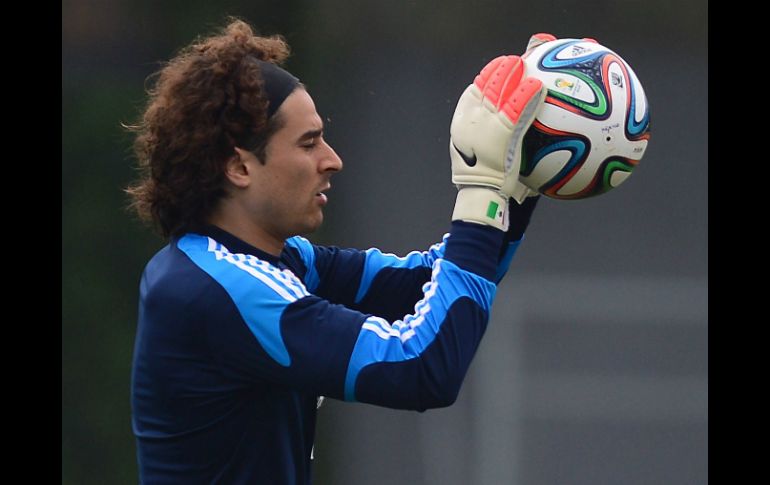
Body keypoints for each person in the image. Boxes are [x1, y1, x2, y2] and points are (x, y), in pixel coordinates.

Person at [127, 18, 552, 484]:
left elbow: (426, 283)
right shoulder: (225, 290)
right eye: (309, 143)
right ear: (238, 167)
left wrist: (518, 182)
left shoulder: (270, 261)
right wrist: (482, 186)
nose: (333, 159)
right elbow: (422, 367)